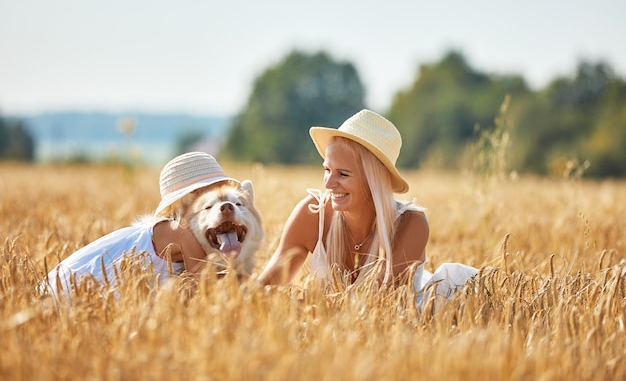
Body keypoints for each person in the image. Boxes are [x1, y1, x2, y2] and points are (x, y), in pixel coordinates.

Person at [258, 109, 478, 306]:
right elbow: (263, 289)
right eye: (327, 170)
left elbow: (373, 305)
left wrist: (304, 307)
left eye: (343, 174)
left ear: (373, 180)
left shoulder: (411, 223)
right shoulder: (312, 214)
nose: (328, 184)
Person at [44, 151, 238, 296]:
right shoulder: (182, 234)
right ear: (186, 203)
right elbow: (205, 292)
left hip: (73, 285)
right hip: (76, 291)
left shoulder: (171, 229)